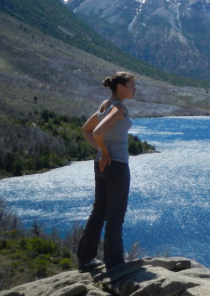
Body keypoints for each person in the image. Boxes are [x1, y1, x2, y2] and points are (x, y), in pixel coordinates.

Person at [77, 71, 136, 272]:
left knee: (99, 212)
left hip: (101, 166)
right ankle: (115, 264)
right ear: (120, 87)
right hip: (117, 165)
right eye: (131, 86)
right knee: (115, 217)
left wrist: (101, 153)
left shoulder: (105, 105)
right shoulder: (118, 108)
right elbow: (96, 132)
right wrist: (105, 152)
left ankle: (85, 259)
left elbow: (85, 129)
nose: (134, 89)